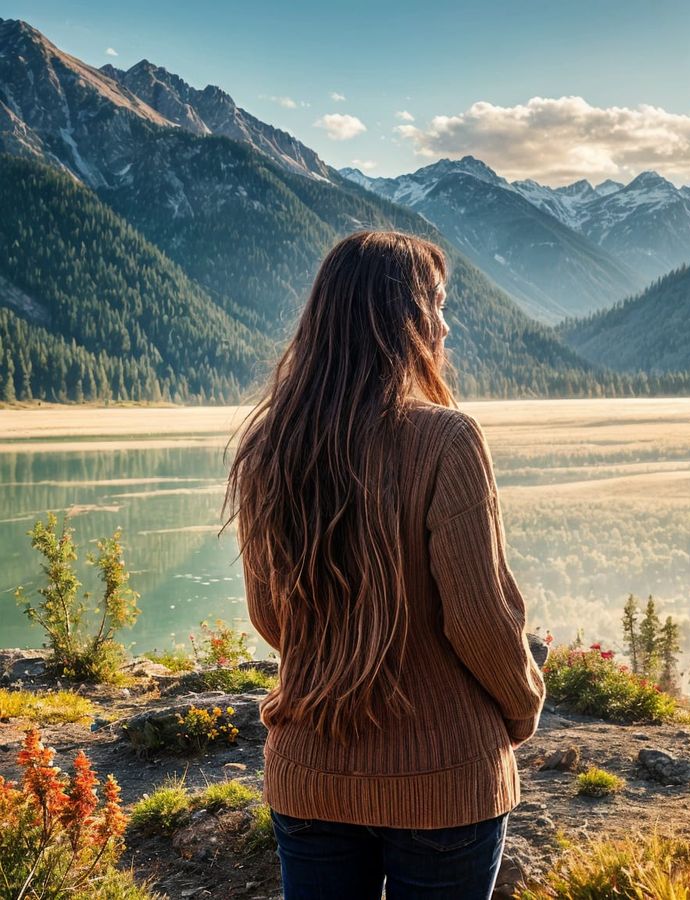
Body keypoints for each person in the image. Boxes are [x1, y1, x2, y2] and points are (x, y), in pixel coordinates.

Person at [226, 231, 544, 899]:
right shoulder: (447, 439)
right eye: (438, 305)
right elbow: (480, 621)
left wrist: (344, 652)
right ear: (403, 319)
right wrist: (520, 709)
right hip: (446, 781)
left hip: (311, 771)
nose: (446, 326)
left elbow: (270, 616)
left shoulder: (270, 444)